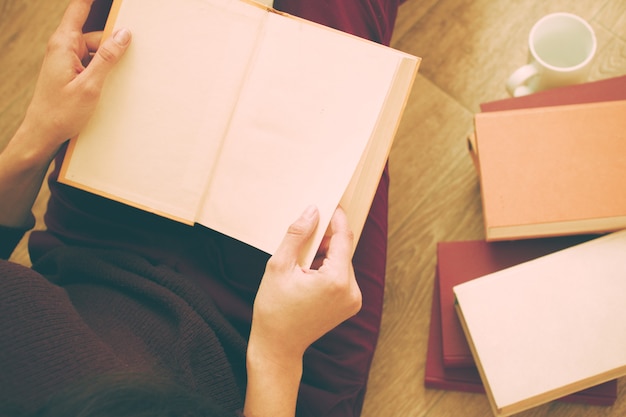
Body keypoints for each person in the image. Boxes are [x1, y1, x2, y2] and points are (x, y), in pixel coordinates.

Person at [0, 0, 400, 416]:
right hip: (258, 349)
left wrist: (39, 132)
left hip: (91, 251)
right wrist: (278, 354)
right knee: (340, 28)